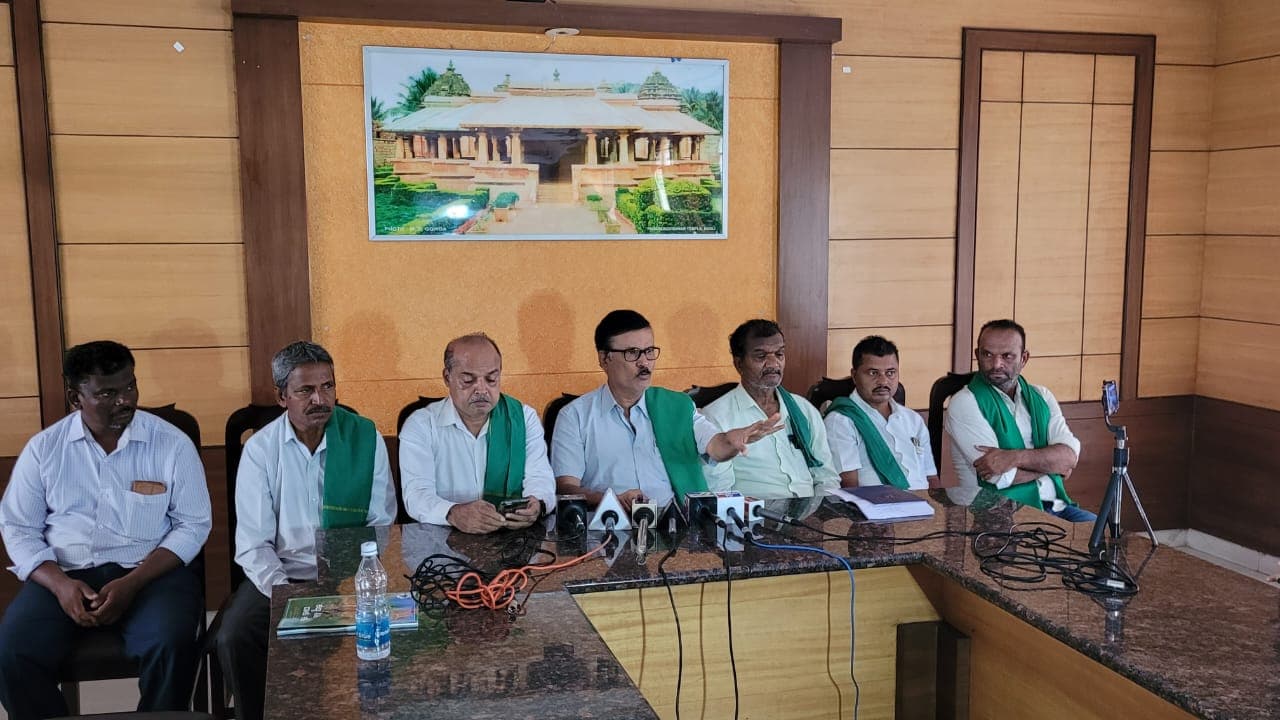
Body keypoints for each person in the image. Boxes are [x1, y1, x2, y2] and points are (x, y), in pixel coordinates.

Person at [0, 341, 211, 719]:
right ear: (75, 398)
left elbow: (193, 524)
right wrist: (61, 586)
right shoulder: (44, 449)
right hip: (65, 573)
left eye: (130, 386)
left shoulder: (171, 444)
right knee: (11, 652)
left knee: (171, 643)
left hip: (149, 573)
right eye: (107, 393)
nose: (124, 400)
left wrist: (132, 583)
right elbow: (18, 528)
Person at [217, 341, 396, 720]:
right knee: (235, 636)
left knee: (392, 628)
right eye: (306, 390)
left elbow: (380, 523)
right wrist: (285, 595)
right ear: (281, 396)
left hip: (348, 575)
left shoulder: (365, 438)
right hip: (279, 577)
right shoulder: (261, 451)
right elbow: (253, 544)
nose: (320, 399)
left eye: (327, 386)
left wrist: (350, 583)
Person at [551, 310, 783, 512]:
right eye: (632, 353)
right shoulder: (574, 416)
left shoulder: (677, 405)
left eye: (649, 351)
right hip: (610, 525)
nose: (644, 362)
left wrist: (732, 441)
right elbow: (566, 488)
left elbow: (716, 447)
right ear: (604, 359)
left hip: (674, 525)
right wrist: (610, 500)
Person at [400, 333, 556, 533]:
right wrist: (453, 513)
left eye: (491, 379)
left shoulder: (522, 419)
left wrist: (537, 504)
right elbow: (416, 496)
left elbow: (540, 478)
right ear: (447, 377)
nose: (481, 389)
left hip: (513, 537)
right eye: (468, 380)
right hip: (441, 539)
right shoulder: (421, 425)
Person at [944, 319, 1096, 522]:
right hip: (996, 514)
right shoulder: (965, 403)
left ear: (1024, 358)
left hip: (1056, 506)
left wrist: (1014, 458)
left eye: (1007, 356)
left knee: (1105, 535)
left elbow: (1069, 457)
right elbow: (998, 476)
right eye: (988, 355)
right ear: (977, 355)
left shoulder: (1041, 396)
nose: (996, 364)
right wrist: (1052, 467)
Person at [702, 320, 839, 499]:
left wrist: (820, 511)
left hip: (810, 510)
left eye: (779, 354)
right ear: (739, 364)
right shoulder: (716, 417)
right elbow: (720, 490)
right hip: (755, 512)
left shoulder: (803, 409)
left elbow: (826, 477)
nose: (773, 364)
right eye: (761, 356)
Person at [823, 335, 938, 490]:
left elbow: (931, 478)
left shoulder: (913, 419)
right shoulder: (841, 421)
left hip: (922, 502)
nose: (883, 381)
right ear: (854, 376)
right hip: (875, 504)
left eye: (890, 373)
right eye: (873, 373)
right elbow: (849, 488)